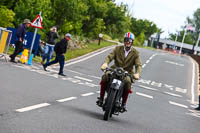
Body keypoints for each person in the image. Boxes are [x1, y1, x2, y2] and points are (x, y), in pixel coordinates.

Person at [96, 32, 142, 112]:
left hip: (127, 72)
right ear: (124, 41)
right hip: (115, 69)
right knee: (105, 76)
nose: (128, 42)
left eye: (130, 40)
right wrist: (105, 63)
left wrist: (137, 73)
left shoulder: (136, 53)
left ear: (132, 42)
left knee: (128, 82)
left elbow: (138, 65)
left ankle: (123, 104)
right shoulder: (117, 48)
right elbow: (110, 56)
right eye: (126, 40)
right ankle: (101, 98)